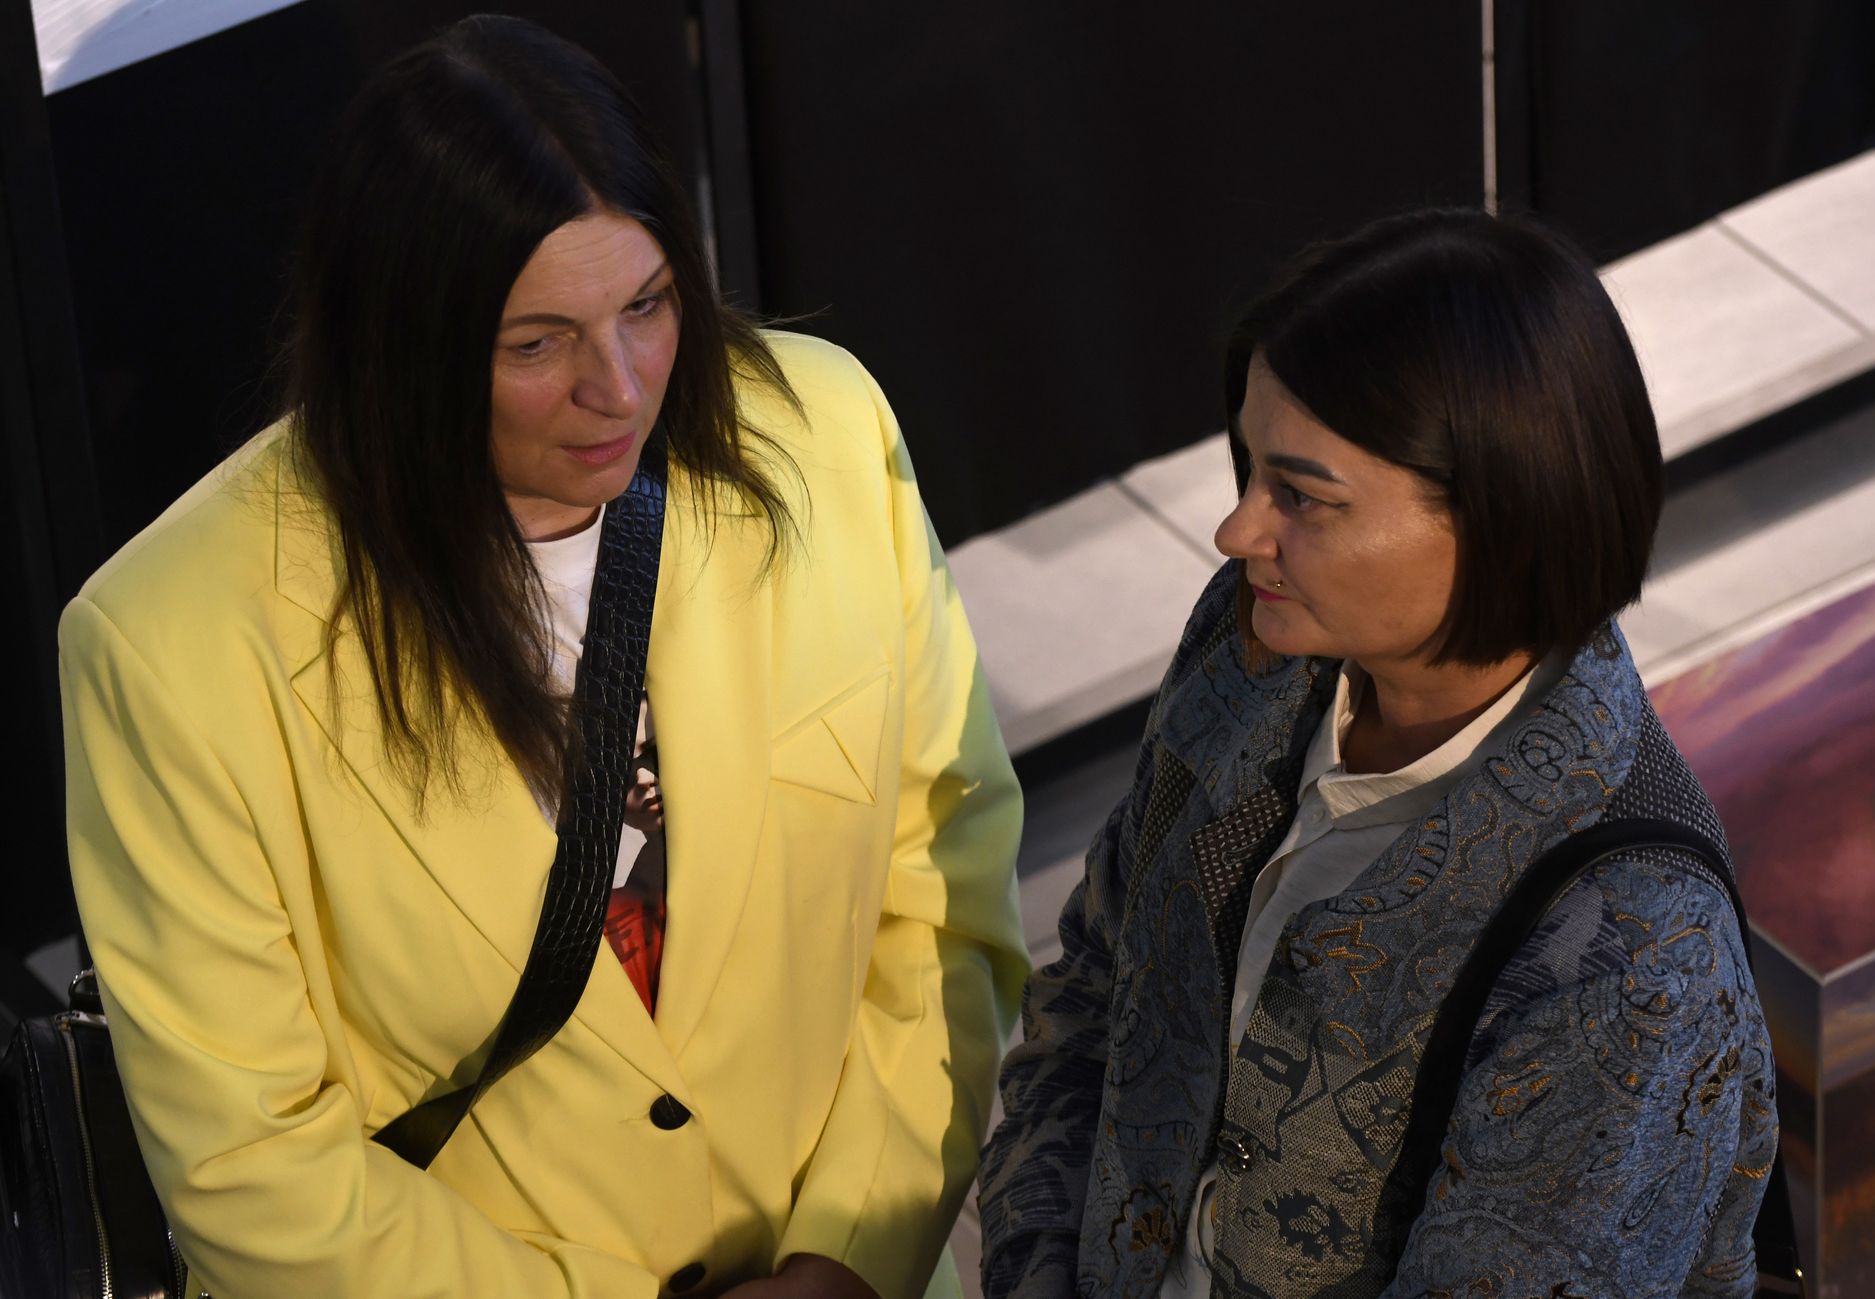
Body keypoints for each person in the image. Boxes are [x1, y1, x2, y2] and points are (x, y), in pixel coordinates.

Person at [60, 16, 1026, 1298]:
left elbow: (945, 887)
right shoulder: (166, 643)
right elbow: (251, 1160)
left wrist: (850, 1249)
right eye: (536, 344)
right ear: (397, 343)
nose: (618, 388)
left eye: (647, 306)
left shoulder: (822, 430)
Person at [978, 209, 1779, 1298]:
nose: (1236, 533)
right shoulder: (1248, 647)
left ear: (1498, 514)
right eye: (1248, 469)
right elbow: (1094, 989)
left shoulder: (1634, 955)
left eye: (1301, 496)